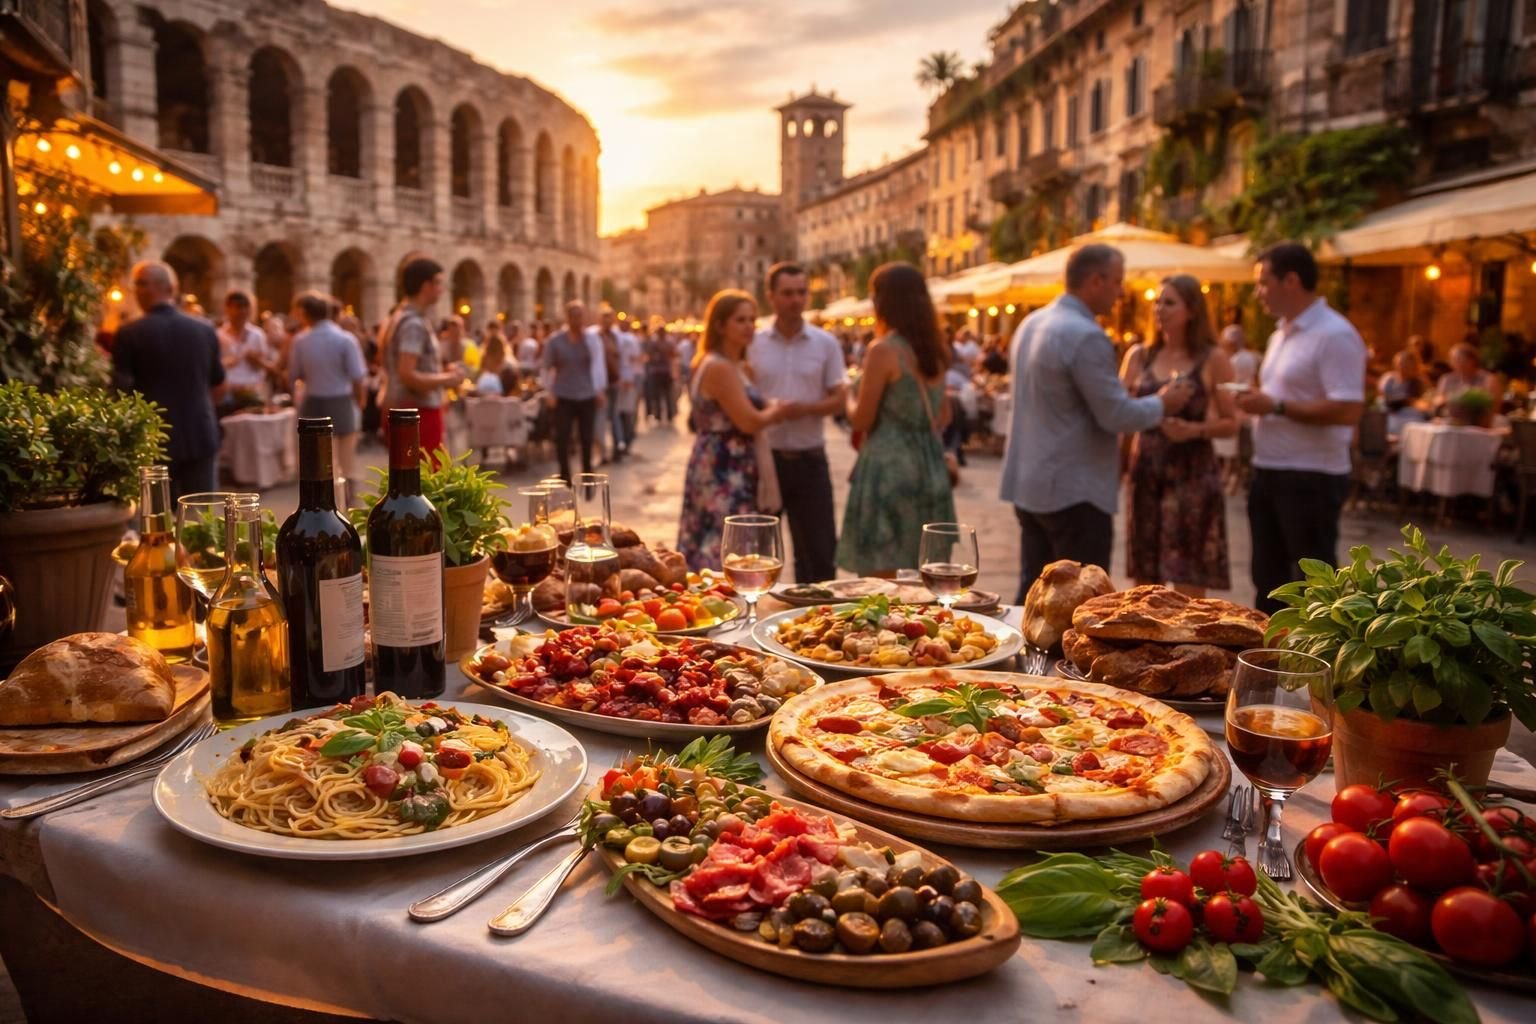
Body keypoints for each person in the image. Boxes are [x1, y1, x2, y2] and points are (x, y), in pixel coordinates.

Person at [999, 244, 1193, 602]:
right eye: (1117, 282)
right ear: (1094, 281)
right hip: (1074, 490)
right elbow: (1115, 415)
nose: (1121, 293)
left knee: (1033, 596)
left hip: (1031, 482)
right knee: (1079, 604)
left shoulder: (1032, 323)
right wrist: (1162, 402)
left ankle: (1027, 659)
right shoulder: (1085, 334)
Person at [1236, 241, 1367, 613]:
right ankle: (1269, 664)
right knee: (1268, 578)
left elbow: (1348, 409)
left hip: (1311, 475)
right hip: (1270, 468)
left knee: (1314, 584)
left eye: (1263, 282)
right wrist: (1258, 401)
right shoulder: (1281, 333)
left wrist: (1275, 405)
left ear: (1291, 281)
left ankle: (1315, 665)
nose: (1258, 292)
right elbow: (1286, 396)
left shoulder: (1334, 334)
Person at [1120, 275, 1239, 595]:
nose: (1159, 309)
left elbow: (1232, 421)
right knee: (1145, 576)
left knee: (1188, 574)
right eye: (1157, 302)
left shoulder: (1213, 358)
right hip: (1147, 471)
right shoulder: (1138, 356)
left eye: (1169, 302)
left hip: (1193, 474)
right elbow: (1119, 413)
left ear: (1192, 310)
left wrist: (1193, 430)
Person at [836, 263, 956, 576]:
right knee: (923, 571)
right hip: (928, 465)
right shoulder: (936, 351)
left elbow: (862, 419)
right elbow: (944, 415)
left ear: (883, 302)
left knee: (882, 575)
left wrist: (847, 397)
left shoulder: (884, 350)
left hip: (887, 467)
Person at [749, 262, 848, 583]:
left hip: (809, 460)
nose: (795, 300)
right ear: (772, 297)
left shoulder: (825, 343)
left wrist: (805, 408)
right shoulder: (753, 342)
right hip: (765, 463)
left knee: (819, 557)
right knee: (757, 559)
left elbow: (840, 399)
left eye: (801, 292)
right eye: (787, 293)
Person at [677, 291, 789, 570]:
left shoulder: (737, 366)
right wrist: (779, 410)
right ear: (719, 325)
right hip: (724, 465)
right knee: (725, 541)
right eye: (740, 320)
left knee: (733, 539)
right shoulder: (719, 367)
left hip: (732, 462)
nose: (749, 326)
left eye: (752, 319)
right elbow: (748, 421)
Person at [112, 261, 226, 499]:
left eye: (140, 285)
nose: (137, 291)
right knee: (200, 518)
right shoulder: (204, 330)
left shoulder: (129, 333)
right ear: (172, 289)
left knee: (157, 519)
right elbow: (219, 384)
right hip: (199, 431)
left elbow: (121, 392)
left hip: (153, 438)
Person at [288, 291, 367, 505]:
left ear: (305, 313)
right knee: (346, 461)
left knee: (315, 462)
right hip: (341, 399)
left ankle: (316, 504)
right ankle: (349, 505)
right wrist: (360, 400)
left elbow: (293, 374)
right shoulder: (345, 339)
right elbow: (358, 376)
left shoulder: (300, 340)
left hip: (313, 400)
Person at [381, 257, 461, 458]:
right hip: (418, 412)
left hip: (406, 409)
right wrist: (447, 379)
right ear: (426, 285)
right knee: (426, 479)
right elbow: (407, 373)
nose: (442, 289)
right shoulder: (413, 323)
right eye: (439, 283)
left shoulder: (400, 317)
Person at [542, 301, 608, 482]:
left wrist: (600, 390)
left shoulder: (591, 340)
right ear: (568, 318)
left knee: (586, 437)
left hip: (586, 394)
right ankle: (565, 474)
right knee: (562, 436)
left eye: (581, 315)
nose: (578, 320)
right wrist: (549, 392)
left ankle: (587, 474)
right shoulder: (555, 341)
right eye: (574, 315)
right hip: (563, 394)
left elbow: (598, 365)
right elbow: (547, 368)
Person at [217, 291, 272, 411]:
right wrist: (226, 362)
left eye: (245, 307)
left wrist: (256, 360)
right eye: (237, 307)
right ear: (228, 308)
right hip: (227, 393)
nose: (241, 312)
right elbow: (213, 366)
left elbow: (267, 367)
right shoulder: (219, 335)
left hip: (252, 392)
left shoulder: (257, 335)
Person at [1434, 342, 1498, 412]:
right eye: (1451, 360)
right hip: (1450, 419)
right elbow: (1439, 401)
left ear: (1470, 361)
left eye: (1455, 359)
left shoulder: (1488, 379)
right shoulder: (1447, 379)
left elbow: (1491, 405)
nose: (1451, 363)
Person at [643, 322, 677, 423]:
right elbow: (649, 355)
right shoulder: (654, 342)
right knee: (657, 395)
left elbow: (673, 355)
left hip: (665, 372)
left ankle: (669, 414)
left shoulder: (669, 342)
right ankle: (659, 415)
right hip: (657, 372)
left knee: (667, 395)